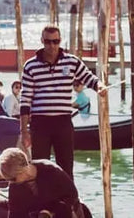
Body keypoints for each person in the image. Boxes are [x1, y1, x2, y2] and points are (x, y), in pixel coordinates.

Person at [19, 25, 106, 178]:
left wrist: (99, 86)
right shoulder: (30, 66)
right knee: (39, 167)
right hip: (40, 123)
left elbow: (88, 78)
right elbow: (25, 100)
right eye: (48, 41)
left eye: (55, 41)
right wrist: (24, 131)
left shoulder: (72, 62)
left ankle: (67, 200)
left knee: (66, 166)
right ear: (42, 41)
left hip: (63, 122)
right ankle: (42, 200)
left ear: (60, 41)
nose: (52, 45)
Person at [0, 147, 86, 218]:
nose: (11, 182)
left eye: (12, 178)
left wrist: (50, 211)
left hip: (67, 211)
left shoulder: (51, 171)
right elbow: (15, 214)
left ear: (22, 170)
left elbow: (72, 195)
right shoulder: (15, 186)